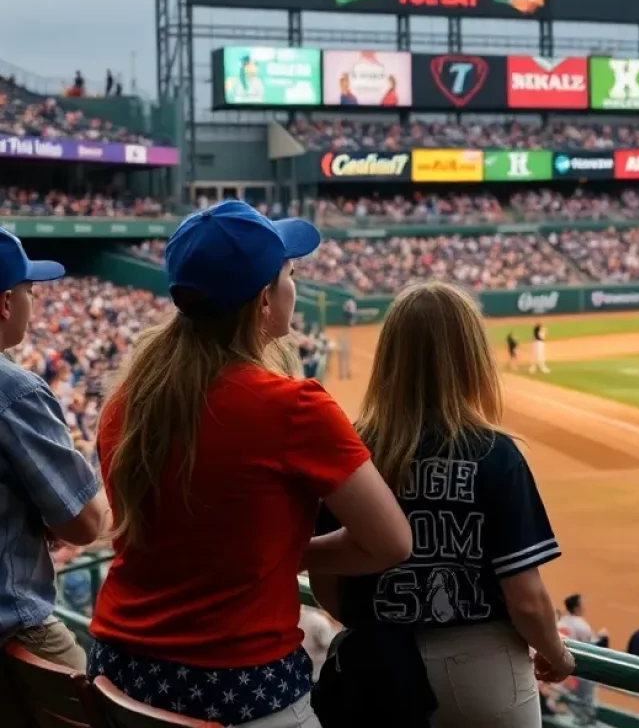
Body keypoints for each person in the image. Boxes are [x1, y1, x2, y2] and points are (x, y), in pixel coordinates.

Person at [87, 200, 412, 726]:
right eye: (290, 274)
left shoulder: (129, 399)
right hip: (238, 687)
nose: (294, 285)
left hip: (116, 671)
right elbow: (392, 541)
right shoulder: (295, 407)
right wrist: (284, 555)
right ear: (264, 299)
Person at [311, 281, 573, 728]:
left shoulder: (350, 448)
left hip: (377, 665)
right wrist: (557, 653)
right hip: (483, 670)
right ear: (471, 358)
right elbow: (526, 601)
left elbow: (326, 582)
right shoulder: (496, 453)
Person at [0, 228, 107, 671]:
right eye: (29, 291)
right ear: (6, 302)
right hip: (13, 629)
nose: (33, 302)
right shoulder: (15, 390)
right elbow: (87, 523)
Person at [559, 594, 608, 723]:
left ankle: (572, 716)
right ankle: (584, 719)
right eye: (581, 604)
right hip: (581, 666)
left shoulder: (562, 621)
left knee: (569, 694)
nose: (584, 607)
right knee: (585, 696)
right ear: (576, 608)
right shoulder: (581, 625)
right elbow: (592, 646)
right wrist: (603, 637)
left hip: (564, 665)